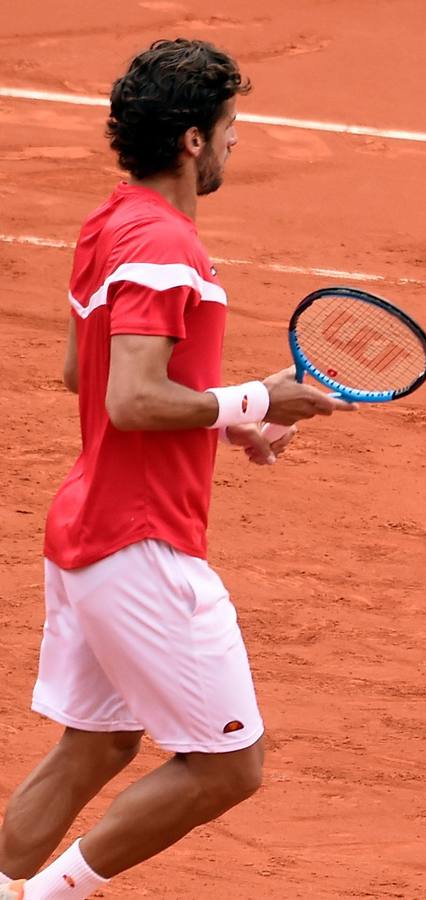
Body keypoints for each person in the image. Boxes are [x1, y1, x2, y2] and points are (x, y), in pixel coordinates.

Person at [0, 39, 351, 900]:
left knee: (97, 745)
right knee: (229, 767)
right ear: (193, 140)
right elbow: (128, 399)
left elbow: (83, 373)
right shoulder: (167, 245)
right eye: (231, 126)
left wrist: (223, 428)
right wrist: (251, 405)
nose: (236, 141)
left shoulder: (111, 223)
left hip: (85, 530)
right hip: (140, 543)